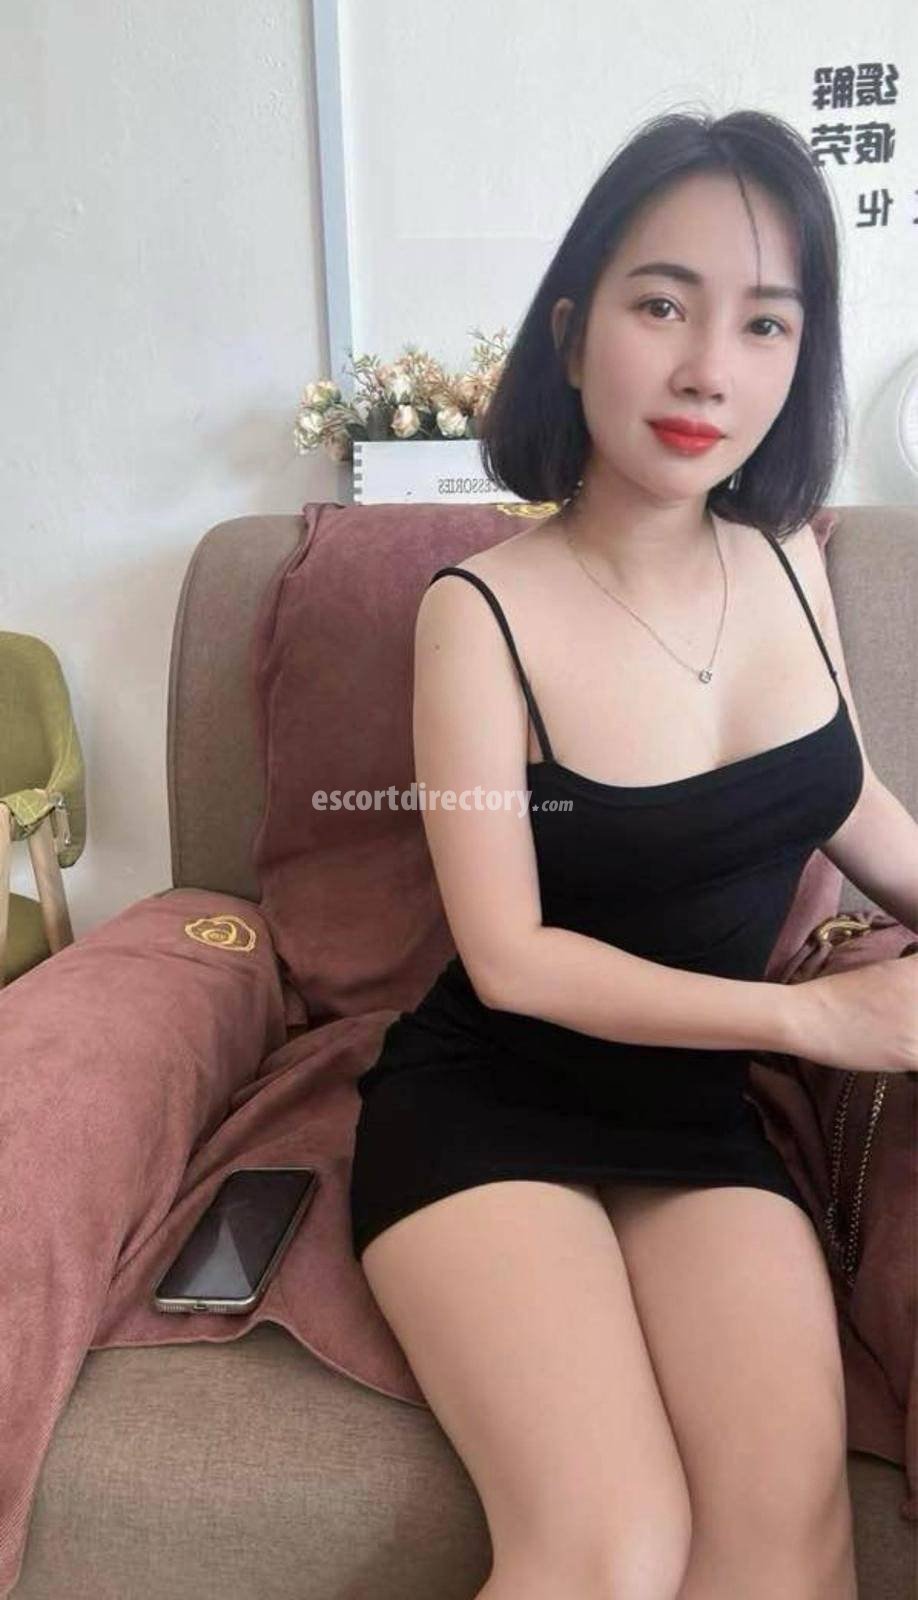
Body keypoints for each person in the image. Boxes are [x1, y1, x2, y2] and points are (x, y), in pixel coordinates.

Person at [349, 108, 914, 1600]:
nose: (707, 369)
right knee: (610, 1550)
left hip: (697, 1123)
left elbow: (852, 801)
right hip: (489, 1109)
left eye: (764, 323)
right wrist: (816, 1020)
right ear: (570, 331)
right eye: (661, 305)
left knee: (786, 1551)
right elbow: (511, 960)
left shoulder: (791, 561)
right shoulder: (476, 610)